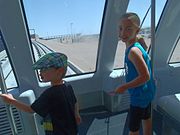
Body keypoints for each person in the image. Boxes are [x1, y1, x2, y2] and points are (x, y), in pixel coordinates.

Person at [0, 52, 81, 135]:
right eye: (40, 69)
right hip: (72, 129)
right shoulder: (68, 86)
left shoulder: (50, 94)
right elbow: (75, 101)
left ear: (59, 71)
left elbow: (30, 110)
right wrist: (76, 114)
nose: (40, 72)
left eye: (44, 69)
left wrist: (11, 100)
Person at [112, 12, 155, 135]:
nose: (123, 33)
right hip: (146, 93)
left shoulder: (133, 51)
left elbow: (145, 76)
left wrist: (123, 87)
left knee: (133, 129)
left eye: (128, 29)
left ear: (137, 31)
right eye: (120, 28)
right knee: (146, 119)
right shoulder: (137, 45)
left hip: (138, 97)